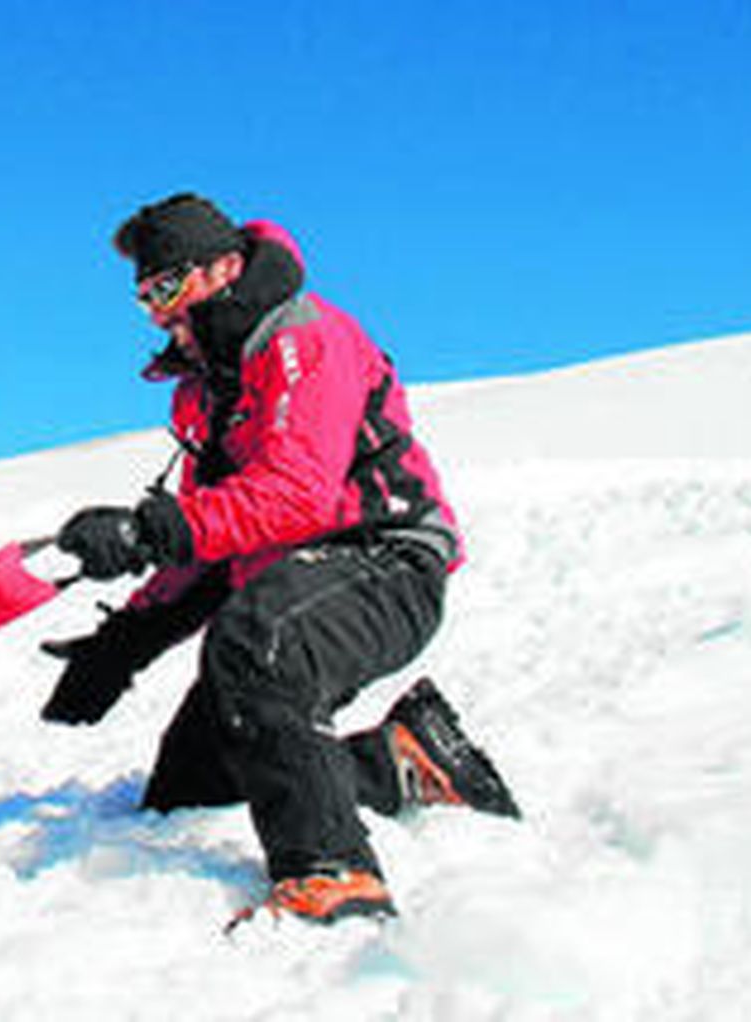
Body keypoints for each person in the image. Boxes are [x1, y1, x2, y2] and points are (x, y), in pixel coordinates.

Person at [42, 193, 519, 925]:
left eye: (166, 287)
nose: (156, 312)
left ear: (225, 267)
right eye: (143, 297)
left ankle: (333, 875)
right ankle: (402, 760)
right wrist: (126, 639)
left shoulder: (304, 339)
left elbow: (296, 495)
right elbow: (213, 535)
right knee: (190, 785)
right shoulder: (205, 393)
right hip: (291, 581)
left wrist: (144, 531)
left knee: (255, 644)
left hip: (383, 559)